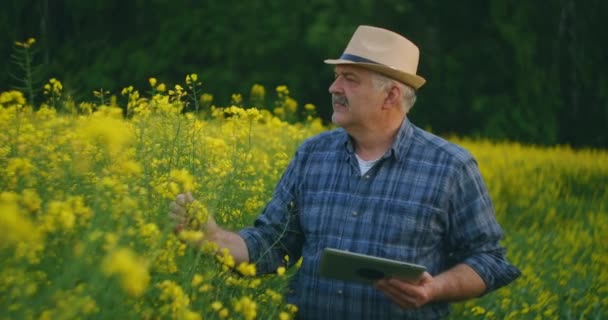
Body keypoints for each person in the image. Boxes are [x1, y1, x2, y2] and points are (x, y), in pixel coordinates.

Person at [170, 25, 520, 319]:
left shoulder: (451, 167)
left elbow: (489, 260)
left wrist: (435, 289)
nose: (333, 88)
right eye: (337, 77)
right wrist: (213, 238)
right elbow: (272, 245)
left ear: (390, 96)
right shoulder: (312, 155)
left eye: (349, 79)